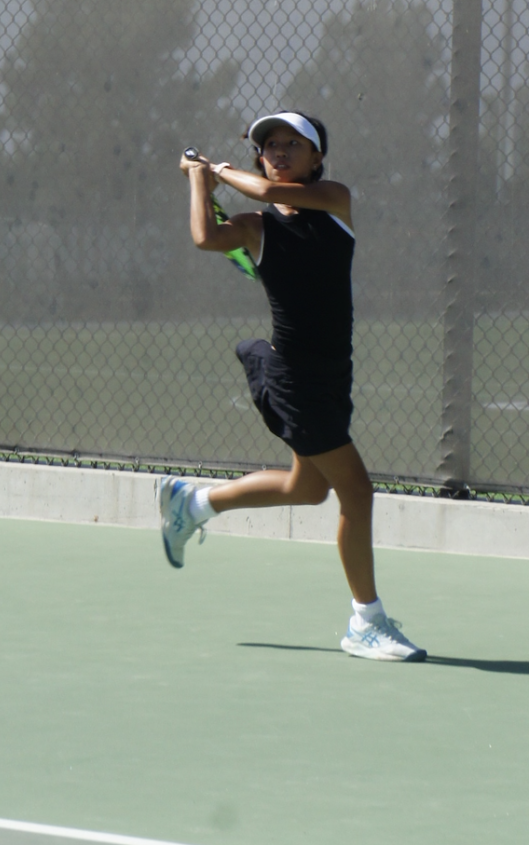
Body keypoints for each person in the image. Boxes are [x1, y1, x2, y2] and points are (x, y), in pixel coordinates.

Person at [157, 111, 426, 663]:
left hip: (332, 375)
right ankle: (365, 622)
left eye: (291, 143)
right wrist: (197, 181)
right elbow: (207, 235)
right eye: (270, 145)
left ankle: (194, 503)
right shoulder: (256, 227)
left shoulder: (335, 200)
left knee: (308, 489)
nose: (278, 151)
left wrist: (219, 171)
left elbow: (270, 189)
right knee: (357, 491)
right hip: (295, 378)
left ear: (316, 157)